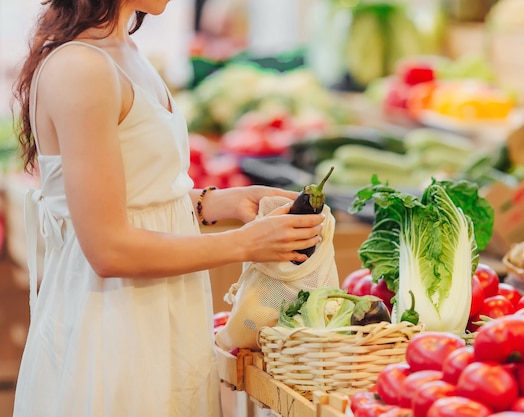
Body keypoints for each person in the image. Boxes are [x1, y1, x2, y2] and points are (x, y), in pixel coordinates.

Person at [10, 0, 325, 416]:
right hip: (113, 326)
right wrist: (245, 244)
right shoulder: (80, 68)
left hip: (161, 316)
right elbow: (108, 249)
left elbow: (137, 196)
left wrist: (214, 203)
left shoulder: (126, 52)